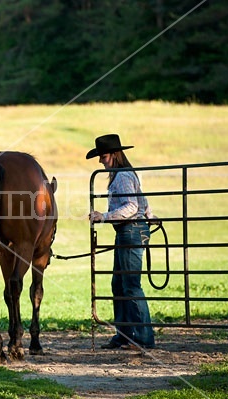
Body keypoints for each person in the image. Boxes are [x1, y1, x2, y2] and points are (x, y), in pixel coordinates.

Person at [86, 134, 156, 350]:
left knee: (131, 285)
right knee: (119, 284)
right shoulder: (125, 174)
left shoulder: (123, 175)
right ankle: (125, 334)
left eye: (104, 156)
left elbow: (131, 207)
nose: (101, 161)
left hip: (130, 231)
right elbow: (140, 202)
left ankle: (143, 338)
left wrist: (103, 216)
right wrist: (150, 214)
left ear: (115, 155)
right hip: (128, 231)